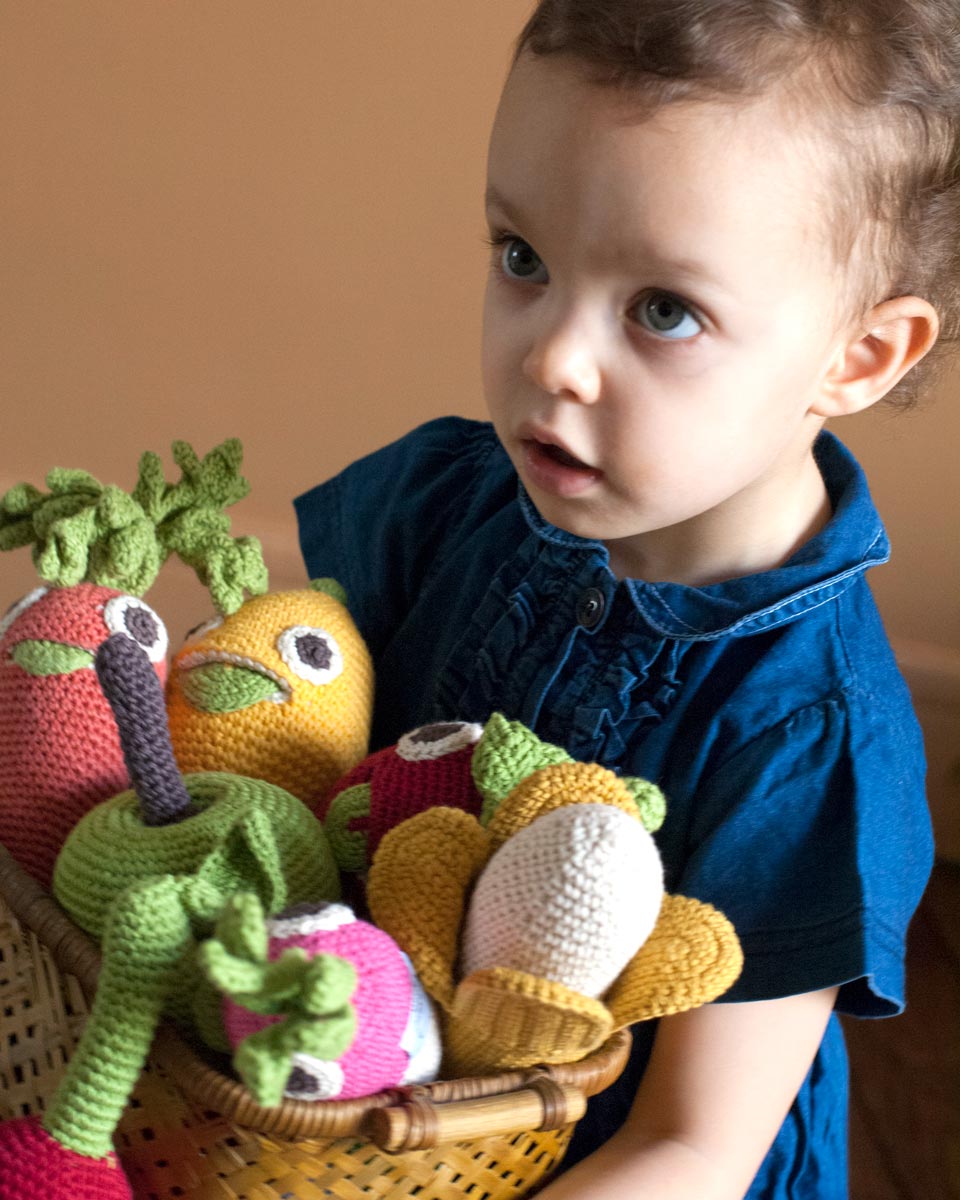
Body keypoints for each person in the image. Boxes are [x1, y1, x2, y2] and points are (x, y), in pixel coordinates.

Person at [295, 2, 959, 1195]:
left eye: (664, 310)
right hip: (367, 1109)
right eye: (523, 259)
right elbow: (288, 753)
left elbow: (693, 1145)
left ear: (856, 357)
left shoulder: (811, 738)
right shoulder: (440, 500)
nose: (553, 357)